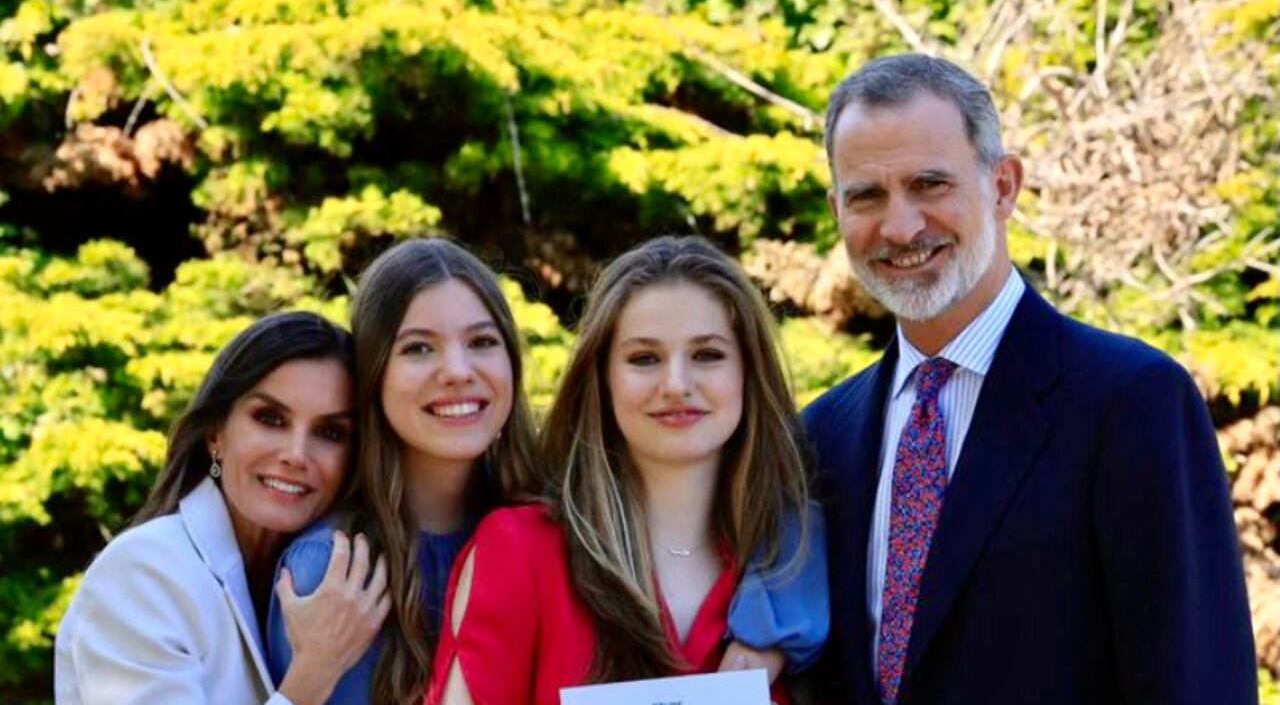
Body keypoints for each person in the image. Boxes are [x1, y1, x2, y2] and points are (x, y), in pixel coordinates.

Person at [808, 53, 1257, 704]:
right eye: (867, 196)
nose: (900, 225)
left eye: (930, 184)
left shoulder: (1131, 402)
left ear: (1003, 186)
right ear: (836, 209)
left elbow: (1195, 680)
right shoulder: (821, 436)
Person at [428, 236, 820, 705]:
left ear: (748, 375)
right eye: (644, 359)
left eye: (708, 355)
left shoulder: (796, 563)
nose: (676, 384)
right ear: (602, 379)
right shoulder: (520, 551)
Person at [54, 312, 390, 705]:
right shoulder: (141, 573)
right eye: (270, 419)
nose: (296, 455)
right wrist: (314, 673)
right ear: (216, 433)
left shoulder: (323, 578)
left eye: (330, 432)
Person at [266, 239, 542, 705]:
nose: (457, 370)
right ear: (374, 375)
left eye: (481, 342)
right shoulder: (331, 572)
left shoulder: (553, 533)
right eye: (418, 348)